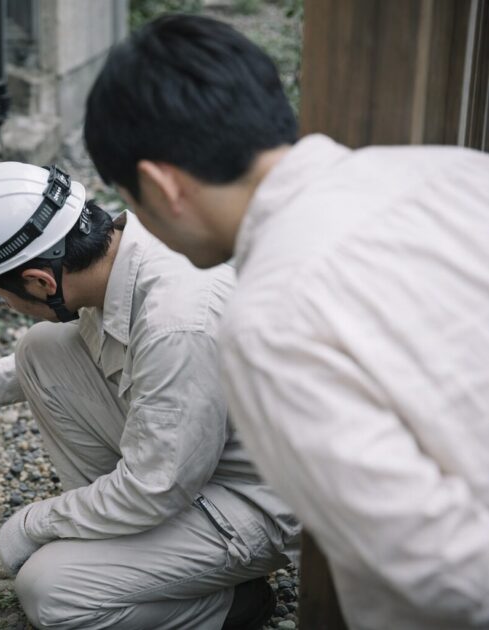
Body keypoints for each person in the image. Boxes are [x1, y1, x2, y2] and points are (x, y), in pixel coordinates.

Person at [83, 13, 489, 630]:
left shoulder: (273, 319)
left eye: (128, 205)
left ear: (160, 186)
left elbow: (437, 567)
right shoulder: (455, 170)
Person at [0, 160, 298, 629]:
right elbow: (118, 354)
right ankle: (131, 552)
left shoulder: (175, 322)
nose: (7, 305)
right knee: (42, 349)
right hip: (200, 459)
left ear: (40, 282)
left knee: (50, 593)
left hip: (255, 503)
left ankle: (230, 605)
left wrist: (37, 522)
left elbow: (154, 486)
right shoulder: (120, 253)